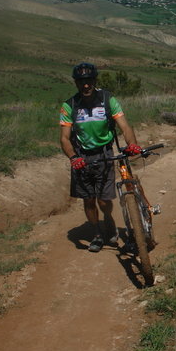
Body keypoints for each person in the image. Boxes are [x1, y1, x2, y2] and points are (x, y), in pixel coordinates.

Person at [59, 62, 142, 252]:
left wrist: (132, 144)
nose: (85, 85)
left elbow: (125, 126)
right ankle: (97, 234)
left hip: (104, 154)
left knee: (104, 200)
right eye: (81, 82)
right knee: (88, 200)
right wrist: (73, 157)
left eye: (89, 81)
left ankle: (108, 219)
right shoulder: (69, 105)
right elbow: (64, 138)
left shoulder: (107, 99)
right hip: (81, 157)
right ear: (76, 83)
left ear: (95, 81)